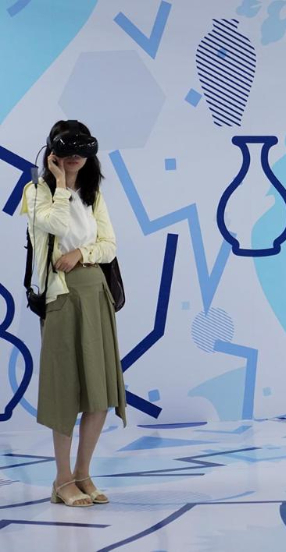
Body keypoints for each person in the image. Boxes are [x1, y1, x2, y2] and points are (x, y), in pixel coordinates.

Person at [21, 120, 126, 507]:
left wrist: (82, 252)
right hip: (61, 296)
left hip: (95, 292)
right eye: (67, 151)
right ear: (52, 153)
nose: (75, 157)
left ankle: (83, 474)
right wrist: (61, 183)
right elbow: (55, 222)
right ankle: (62, 480)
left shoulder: (94, 194)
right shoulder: (37, 192)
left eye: (82, 151)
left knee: (98, 391)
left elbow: (110, 245)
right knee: (64, 391)